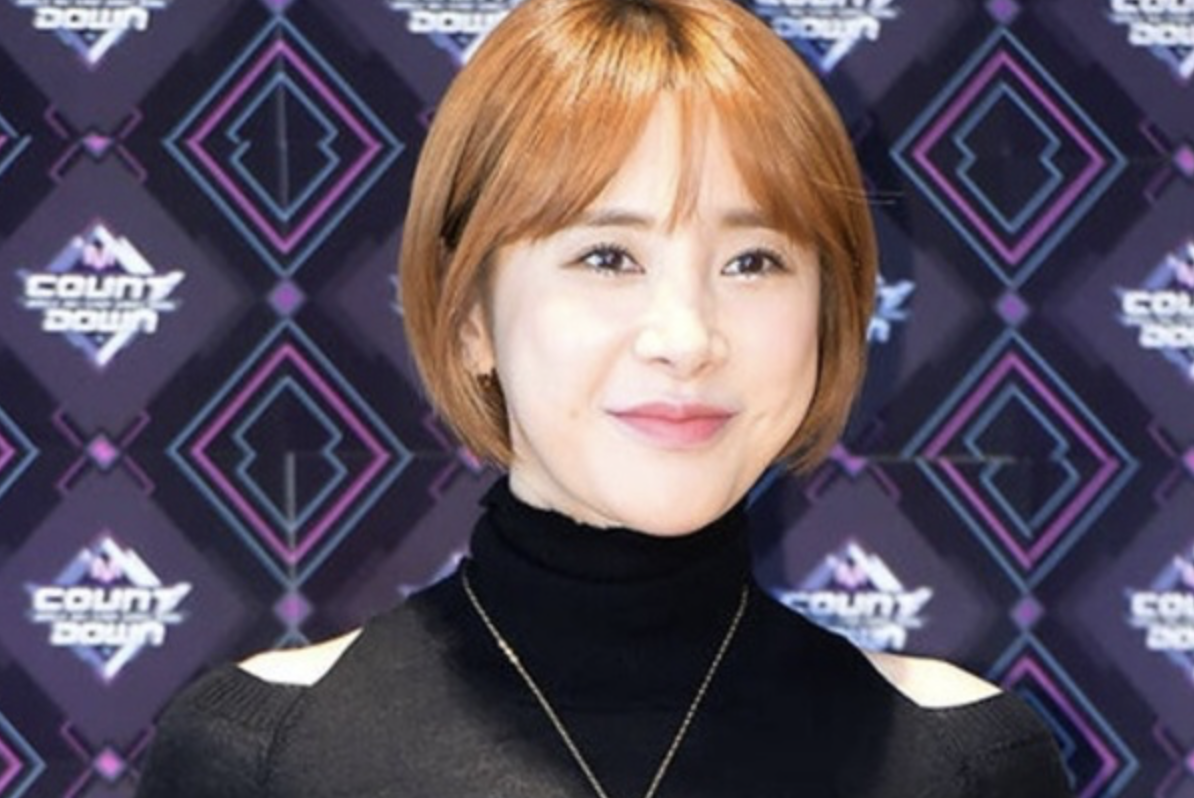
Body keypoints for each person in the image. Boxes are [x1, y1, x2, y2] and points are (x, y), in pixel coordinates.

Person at [137, 0, 1073, 795]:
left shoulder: (964, 759)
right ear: (470, 316)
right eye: (608, 257)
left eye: (754, 261)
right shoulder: (260, 754)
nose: (687, 338)